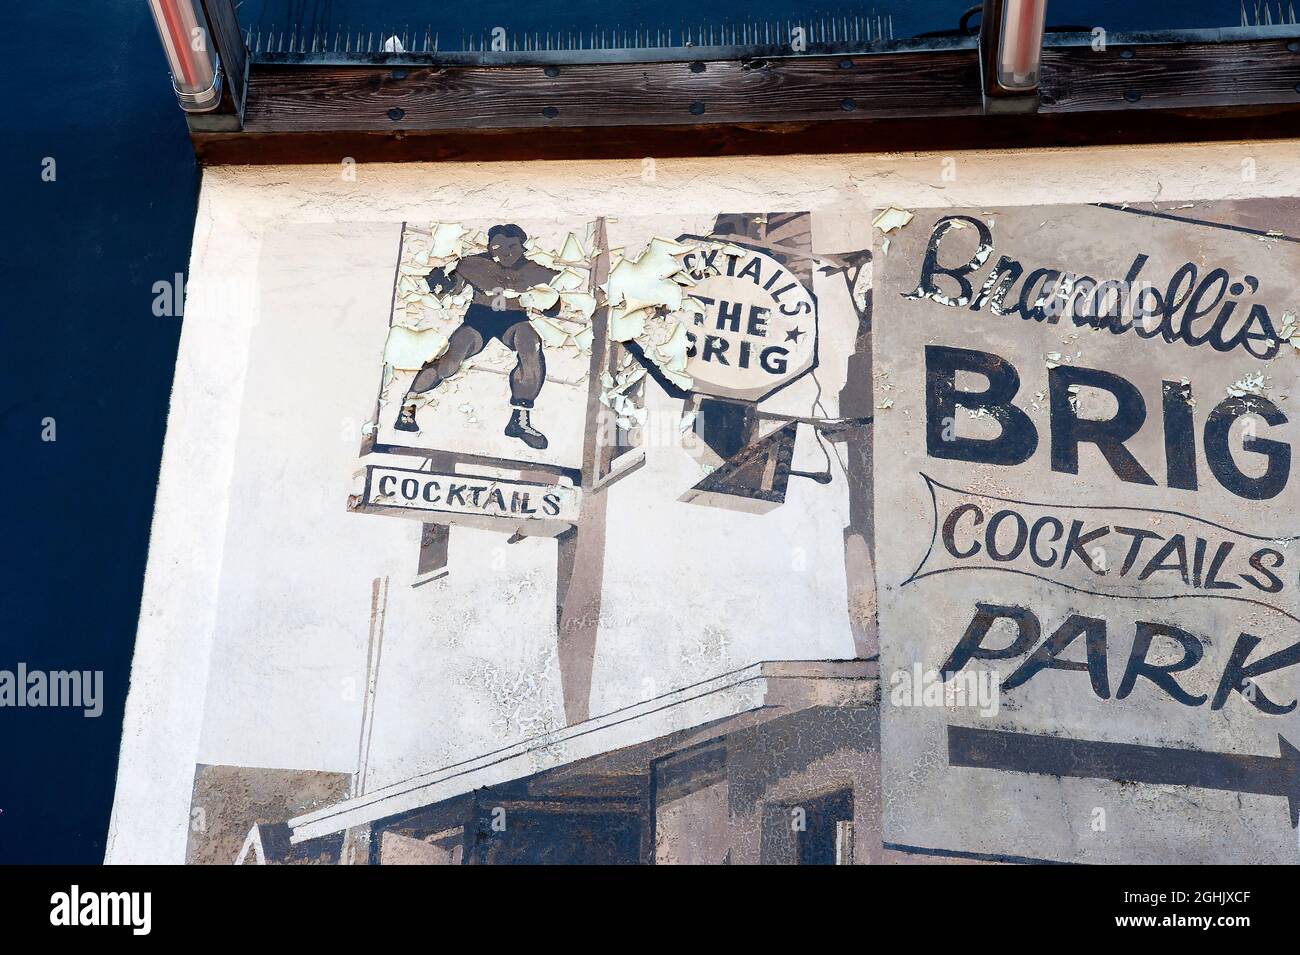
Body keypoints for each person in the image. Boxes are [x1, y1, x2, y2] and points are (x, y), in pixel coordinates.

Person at [395, 223, 559, 450]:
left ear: (523, 247)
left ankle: (520, 419)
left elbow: (555, 303)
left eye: (512, 246)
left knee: (531, 344)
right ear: (490, 247)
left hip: (513, 319)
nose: (505, 252)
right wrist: (438, 281)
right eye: (498, 246)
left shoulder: (536, 271)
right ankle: (409, 404)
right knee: (450, 363)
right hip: (479, 319)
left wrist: (549, 301)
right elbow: (449, 288)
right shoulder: (473, 264)